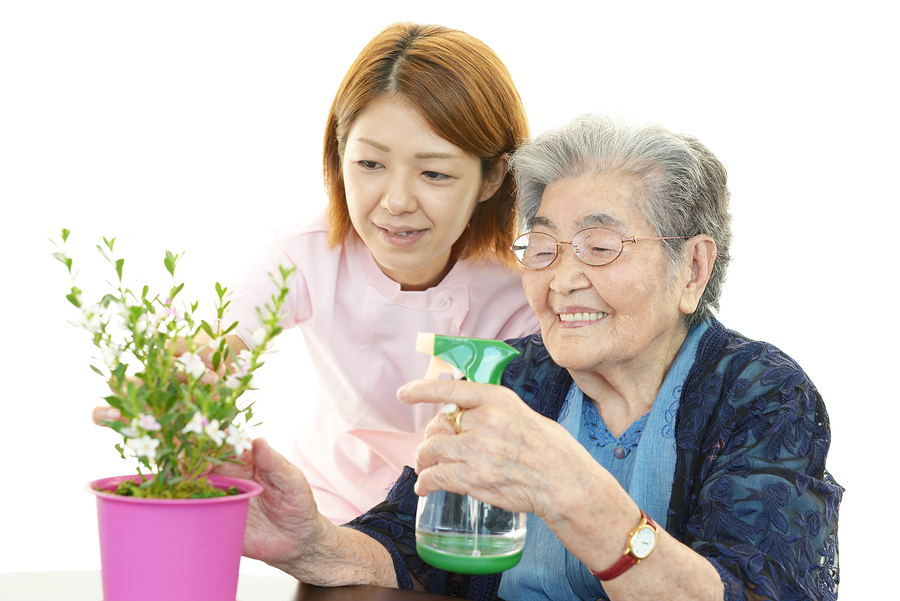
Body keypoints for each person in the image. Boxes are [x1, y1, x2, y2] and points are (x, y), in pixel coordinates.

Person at [218, 113, 842, 601]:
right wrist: (309, 545)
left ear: (693, 268)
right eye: (541, 247)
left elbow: (758, 591)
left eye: (599, 246)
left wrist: (575, 493)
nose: (562, 278)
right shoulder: (510, 375)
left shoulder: (762, 394)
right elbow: (410, 550)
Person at [91, 23, 539, 523]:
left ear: (492, 177)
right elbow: (216, 350)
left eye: (434, 173)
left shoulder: (528, 288)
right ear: (340, 153)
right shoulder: (305, 253)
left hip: (460, 528)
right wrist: (173, 388)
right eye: (370, 163)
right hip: (330, 512)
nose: (395, 202)